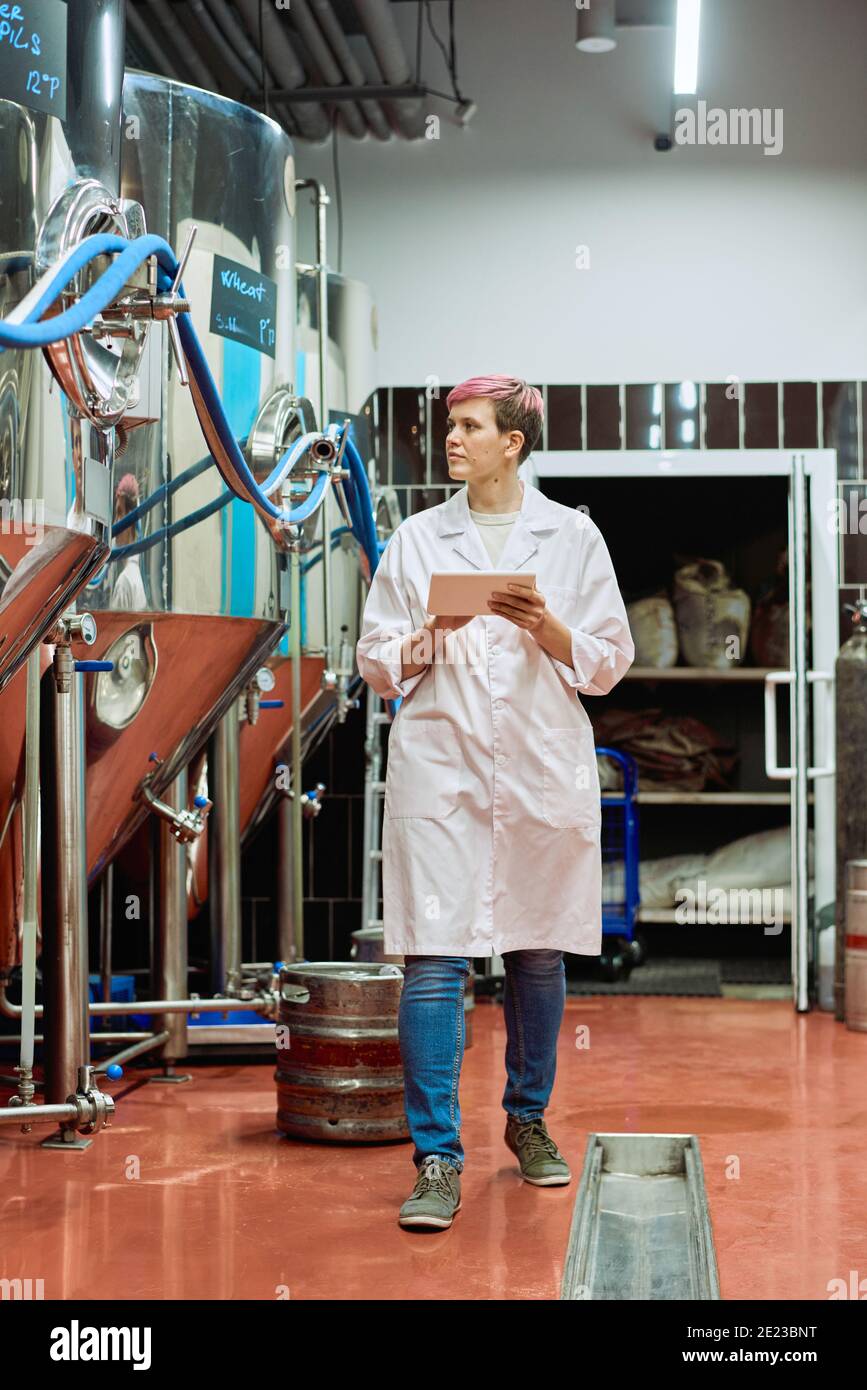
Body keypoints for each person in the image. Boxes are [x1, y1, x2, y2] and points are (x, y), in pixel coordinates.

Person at [355, 375, 634, 1229]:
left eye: (471, 426)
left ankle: (528, 1121)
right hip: (442, 776)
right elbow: (372, 662)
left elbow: (608, 661)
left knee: (537, 955)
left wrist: (543, 625)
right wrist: (424, 638)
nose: (454, 438)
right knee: (433, 962)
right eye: (451, 425)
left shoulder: (573, 538)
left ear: (513, 442)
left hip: (539, 775)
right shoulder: (415, 539)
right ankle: (436, 1157)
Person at [110, 473, 149, 611]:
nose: (116, 522)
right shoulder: (136, 574)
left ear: (131, 522)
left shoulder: (124, 582)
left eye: (120, 513)